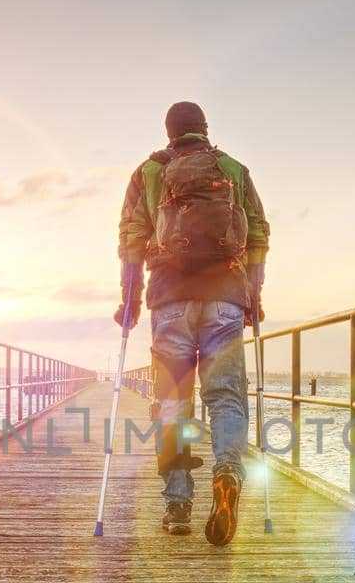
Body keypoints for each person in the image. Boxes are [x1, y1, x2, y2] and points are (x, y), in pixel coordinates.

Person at [115, 101, 269, 545]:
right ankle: (227, 472)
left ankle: (178, 504)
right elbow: (257, 234)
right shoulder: (233, 169)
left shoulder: (149, 173)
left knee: (173, 401)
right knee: (225, 398)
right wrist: (253, 295)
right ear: (204, 130)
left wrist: (130, 298)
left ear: (169, 133)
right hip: (225, 297)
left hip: (169, 299)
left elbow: (131, 236)